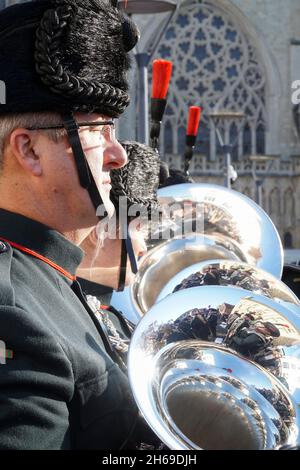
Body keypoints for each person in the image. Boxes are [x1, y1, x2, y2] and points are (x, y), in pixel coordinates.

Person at [0, 0, 155, 450]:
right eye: (98, 130)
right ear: (29, 151)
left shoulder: (49, 275)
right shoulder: (12, 312)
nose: (118, 154)